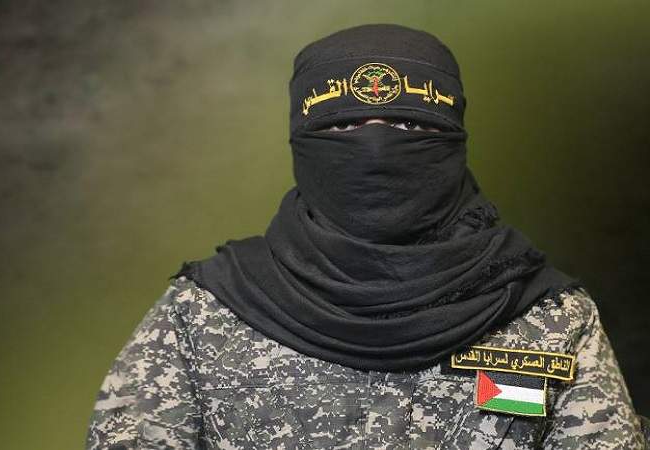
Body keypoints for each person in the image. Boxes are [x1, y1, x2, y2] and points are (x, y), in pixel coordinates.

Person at [85, 24, 649, 449]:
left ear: (453, 138)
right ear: (302, 142)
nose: (376, 148)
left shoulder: (551, 317)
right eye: (344, 125)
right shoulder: (200, 314)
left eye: (409, 124)